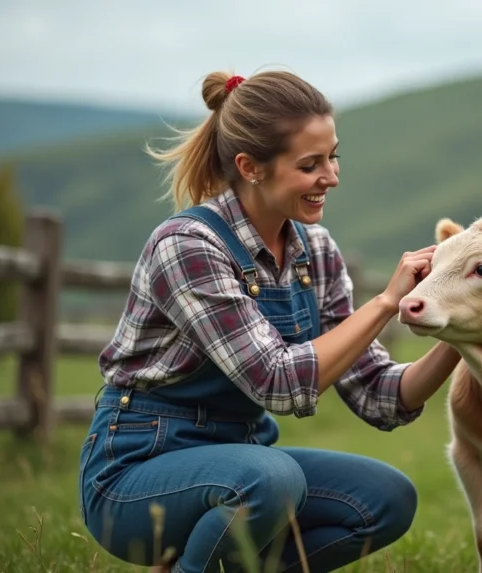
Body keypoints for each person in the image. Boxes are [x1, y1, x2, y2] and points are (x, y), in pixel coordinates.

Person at [77, 68, 462, 573]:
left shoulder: (316, 251)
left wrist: (463, 334)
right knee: (273, 479)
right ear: (250, 166)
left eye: (333, 156)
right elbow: (276, 383)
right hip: (136, 474)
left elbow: (378, 394)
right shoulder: (188, 246)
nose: (332, 176)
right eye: (311, 164)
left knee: (386, 497)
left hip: (244, 464)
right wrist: (385, 302)